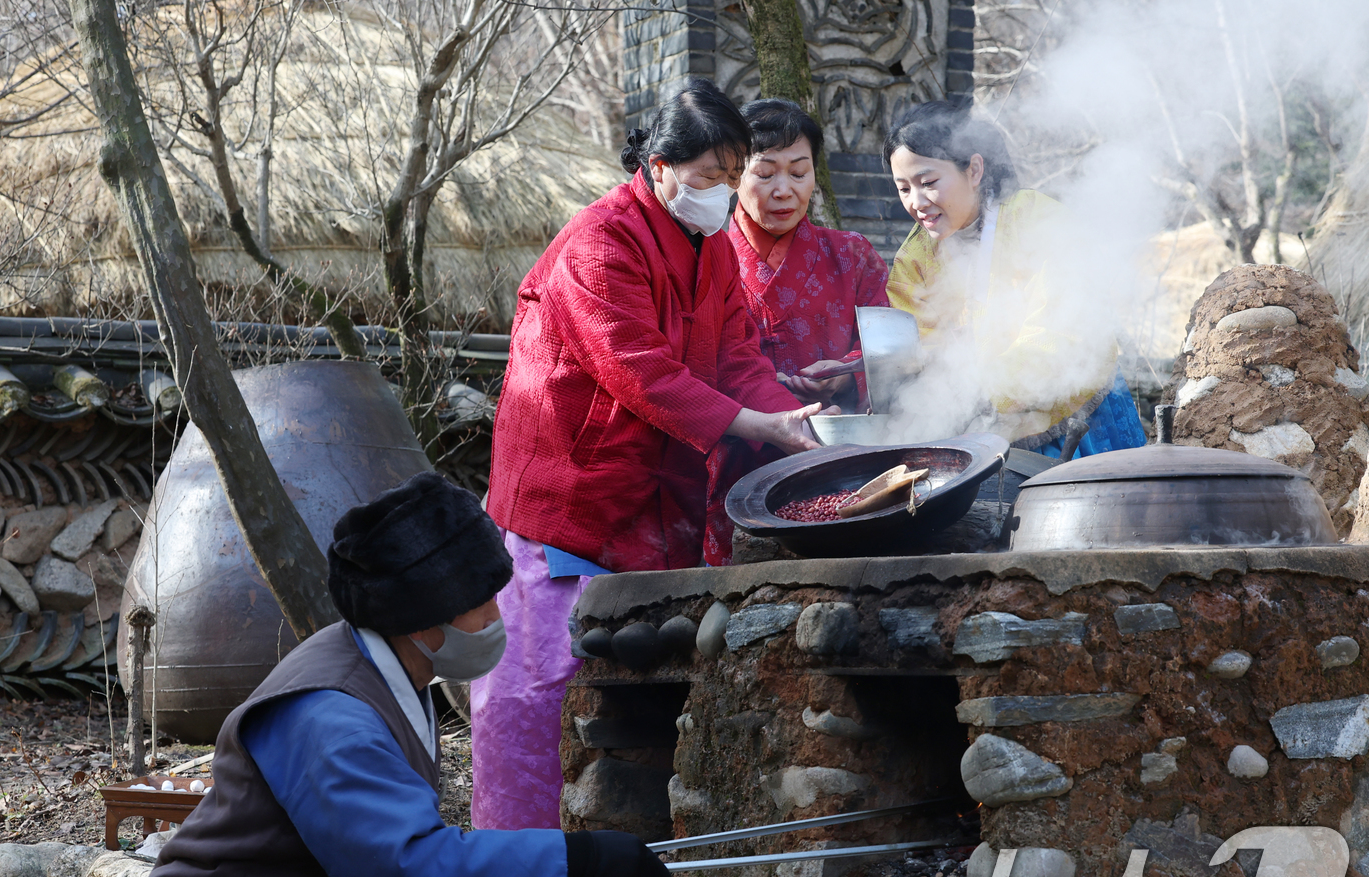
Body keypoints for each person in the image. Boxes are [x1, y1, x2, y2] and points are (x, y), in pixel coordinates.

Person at [124, 472, 673, 877]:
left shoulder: (398, 666)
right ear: (422, 617)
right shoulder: (330, 713)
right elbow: (408, 870)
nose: (494, 618)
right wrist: (577, 857)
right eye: (480, 604)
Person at [480, 79, 828, 831]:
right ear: (661, 166)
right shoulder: (599, 242)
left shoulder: (711, 251)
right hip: (569, 498)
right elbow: (637, 368)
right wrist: (749, 423)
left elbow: (737, 359)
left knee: (626, 688)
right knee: (536, 689)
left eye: (732, 178)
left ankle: (611, 847)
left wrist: (789, 419)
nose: (724, 193)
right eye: (711, 178)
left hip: (651, 499)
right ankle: (512, 853)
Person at [883, 101, 1146, 455]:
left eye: (928, 182)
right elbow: (917, 348)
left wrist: (979, 385)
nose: (917, 202)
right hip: (971, 432)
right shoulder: (914, 258)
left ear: (974, 170)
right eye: (903, 189)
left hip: (1077, 425)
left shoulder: (1037, 221)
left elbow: (1063, 332)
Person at [702, 98, 891, 565]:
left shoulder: (852, 255)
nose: (783, 190)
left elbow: (890, 355)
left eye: (799, 172)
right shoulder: (704, 258)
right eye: (764, 174)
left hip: (833, 461)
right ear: (733, 177)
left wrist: (849, 373)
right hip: (731, 461)